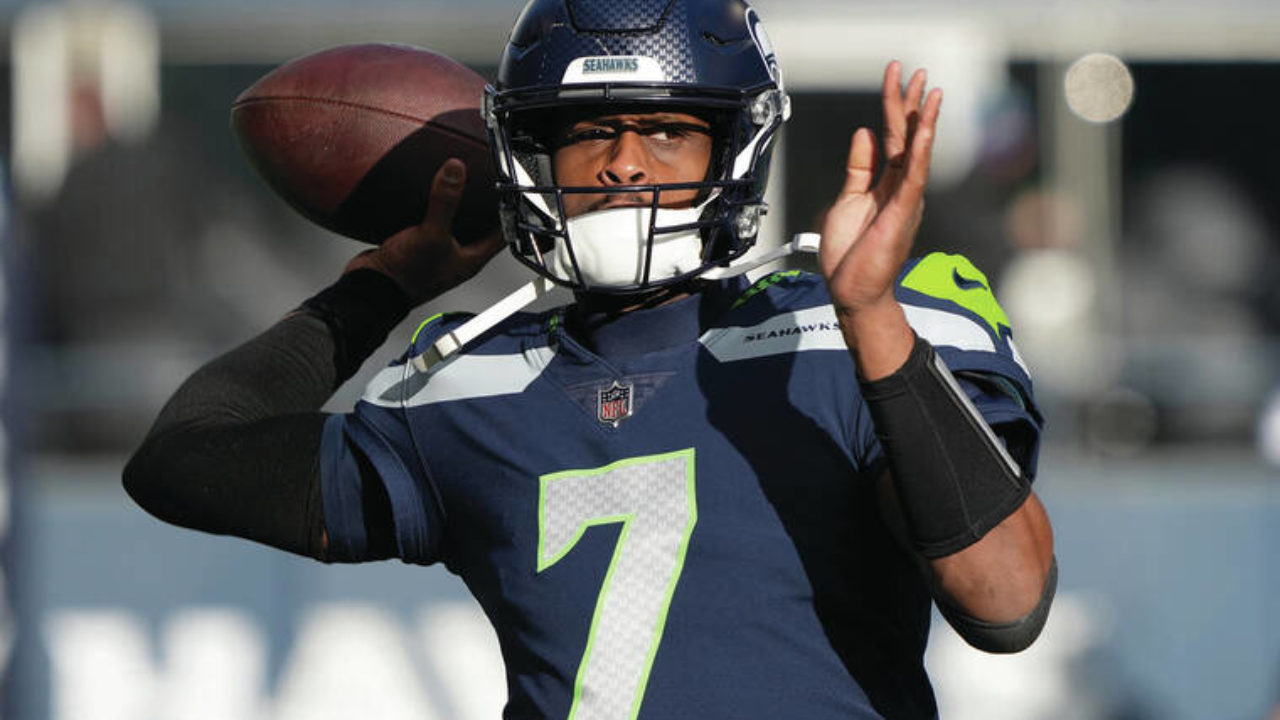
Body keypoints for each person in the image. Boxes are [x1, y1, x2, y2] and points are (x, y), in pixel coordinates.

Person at [124, 0, 1055, 717]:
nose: (624, 164)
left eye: (665, 129)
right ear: (523, 157)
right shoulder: (466, 386)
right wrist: (379, 291)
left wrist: (872, 314)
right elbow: (183, 461)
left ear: (736, 143)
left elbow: (1004, 603)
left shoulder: (843, 335)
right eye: (588, 130)